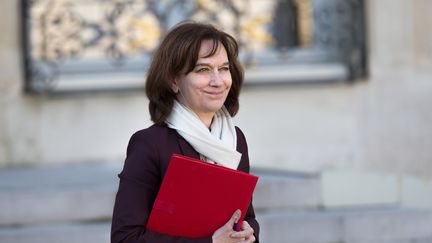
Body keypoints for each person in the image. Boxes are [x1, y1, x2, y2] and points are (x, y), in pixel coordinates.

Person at [111, 22, 259, 243]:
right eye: (203, 69)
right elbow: (125, 238)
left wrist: (248, 233)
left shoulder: (235, 139)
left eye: (224, 68)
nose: (218, 81)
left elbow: (246, 216)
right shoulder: (150, 145)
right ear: (173, 81)